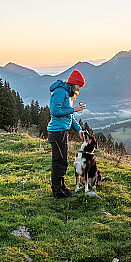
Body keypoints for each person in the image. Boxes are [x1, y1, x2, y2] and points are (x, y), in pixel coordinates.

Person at [47, 69, 86, 198]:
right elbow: (54, 111)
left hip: (62, 132)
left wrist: (79, 130)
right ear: (74, 83)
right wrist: (73, 109)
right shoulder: (60, 91)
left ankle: (59, 189)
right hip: (57, 132)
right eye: (79, 86)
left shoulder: (68, 94)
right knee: (59, 162)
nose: (79, 89)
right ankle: (59, 191)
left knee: (61, 161)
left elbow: (69, 116)